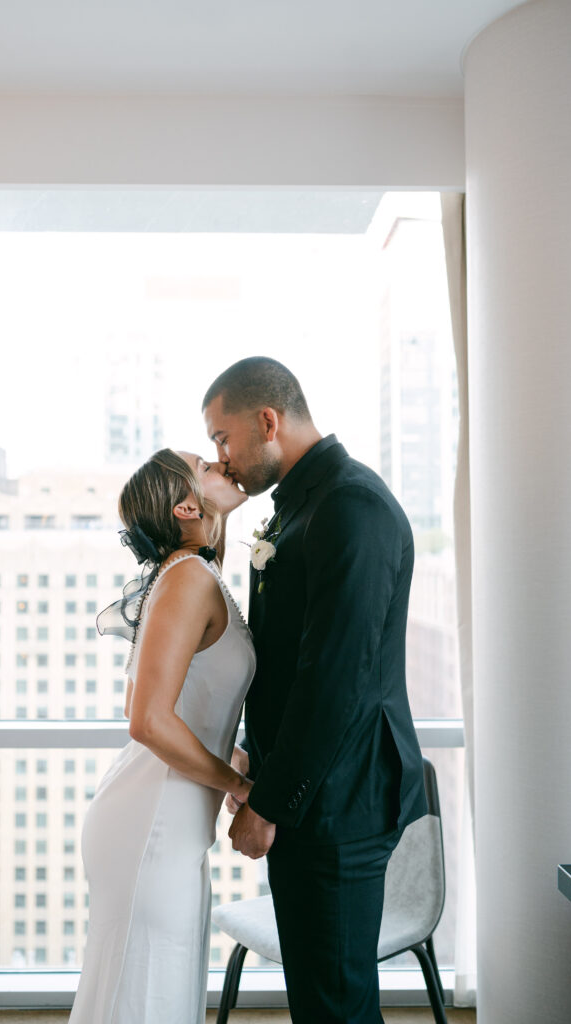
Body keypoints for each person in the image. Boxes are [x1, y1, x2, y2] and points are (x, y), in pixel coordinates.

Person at [203, 356, 428, 1024]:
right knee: (323, 995)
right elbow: (279, 660)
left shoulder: (351, 507)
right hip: (317, 794)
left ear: (267, 421)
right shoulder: (299, 508)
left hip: (343, 799)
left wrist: (270, 804)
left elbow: (335, 678)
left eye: (223, 438)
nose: (221, 459)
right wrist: (250, 751)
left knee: (333, 1005)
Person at [68, 448, 255, 1024]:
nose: (222, 464)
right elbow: (146, 720)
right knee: (146, 999)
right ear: (185, 504)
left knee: (156, 996)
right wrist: (237, 785)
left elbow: (160, 703)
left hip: (165, 823)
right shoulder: (188, 579)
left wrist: (233, 755)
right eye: (206, 464)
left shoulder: (196, 574)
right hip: (153, 825)